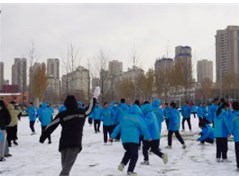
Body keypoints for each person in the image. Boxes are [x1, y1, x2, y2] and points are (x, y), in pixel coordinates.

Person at [39, 87, 100, 176]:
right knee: (66, 168)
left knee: (65, 167)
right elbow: (90, 108)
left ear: (66, 105)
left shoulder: (62, 115)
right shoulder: (81, 113)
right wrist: (95, 97)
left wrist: (42, 137)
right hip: (75, 143)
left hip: (64, 143)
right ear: (75, 104)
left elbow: (51, 125)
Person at [110, 104, 151, 176]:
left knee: (128, 152)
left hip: (125, 141)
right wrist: (148, 137)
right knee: (134, 155)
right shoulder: (138, 118)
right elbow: (144, 128)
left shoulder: (125, 117)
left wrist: (112, 136)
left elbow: (118, 127)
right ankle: (130, 171)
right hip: (133, 140)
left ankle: (122, 164)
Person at [231, 101, 239, 171]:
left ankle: (238, 166)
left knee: (238, 152)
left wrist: (234, 133)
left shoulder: (233, 115)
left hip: (237, 137)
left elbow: (231, 127)